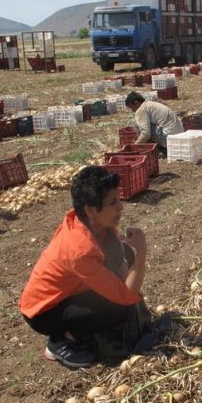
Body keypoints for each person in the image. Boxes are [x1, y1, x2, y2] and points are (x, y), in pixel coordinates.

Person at [19, 165, 168, 368]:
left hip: (69, 292)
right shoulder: (80, 249)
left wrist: (129, 266)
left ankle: (82, 326)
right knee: (118, 309)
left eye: (119, 200)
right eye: (113, 202)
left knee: (124, 253)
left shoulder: (92, 223)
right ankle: (61, 340)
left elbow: (123, 272)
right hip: (45, 311)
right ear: (90, 210)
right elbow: (125, 296)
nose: (121, 207)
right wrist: (142, 252)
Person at [125, 91, 184, 156]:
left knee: (137, 123)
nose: (132, 110)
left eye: (131, 107)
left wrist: (136, 145)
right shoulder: (149, 104)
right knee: (145, 124)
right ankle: (161, 148)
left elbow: (146, 133)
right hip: (179, 134)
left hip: (168, 137)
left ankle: (157, 150)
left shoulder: (141, 110)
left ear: (136, 103)